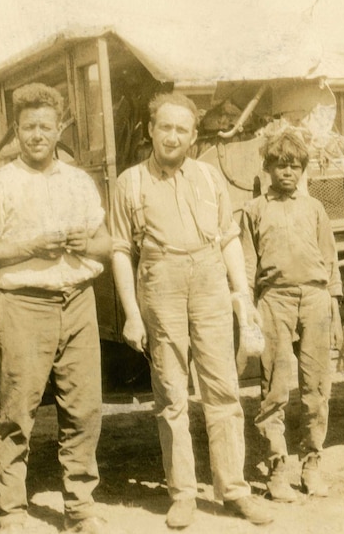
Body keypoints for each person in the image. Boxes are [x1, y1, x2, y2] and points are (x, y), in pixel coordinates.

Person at [110, 92, 273, 529]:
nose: (173, 136)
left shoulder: (209, 177)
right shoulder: (130, 183)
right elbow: (122, 251)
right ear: (150, 130)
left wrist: (243, 296)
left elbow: (227, 239)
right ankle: (182, 494)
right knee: (171, 394)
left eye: (182, 129)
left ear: (193, 135)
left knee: (223, 389)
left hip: (209, 279)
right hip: (160, 280)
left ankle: (233, 490)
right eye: (165, 126)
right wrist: (130, 312)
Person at [0, 83, 111, 534]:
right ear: (16, 130)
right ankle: (11, 514)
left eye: (45, 126)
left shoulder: (79, 181)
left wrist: (87, 243)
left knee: (84, 411)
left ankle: (80, 509)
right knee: (16, 416)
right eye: (28, 126)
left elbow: (106, 244)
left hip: (79, 304)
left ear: (59, 127)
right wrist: (29, 246)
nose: (37, 135)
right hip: (25, 306)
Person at [239, 126, 343, 502]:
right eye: (280, 165)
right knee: (275, 387)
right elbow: (248, 264)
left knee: (316, 388)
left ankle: (312, 464)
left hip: (314, 299)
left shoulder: (315, 209)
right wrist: (247, 308)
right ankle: (277, 467)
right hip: (274, 300)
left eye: (295, 166)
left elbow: (330, 260)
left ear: (303, 170)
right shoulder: (253, 210)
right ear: (267, 167)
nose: (288, 172)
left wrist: (334, 302)